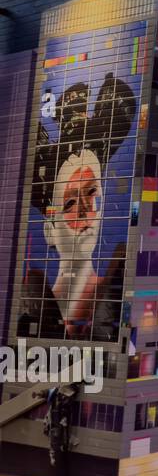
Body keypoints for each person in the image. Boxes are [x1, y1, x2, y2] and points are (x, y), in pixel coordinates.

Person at [19, 74, 135, 342]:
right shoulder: (32, 300)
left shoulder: (117, 290)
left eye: (92, 192)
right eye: (70, 202)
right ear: (50, 229)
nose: (85, 211)